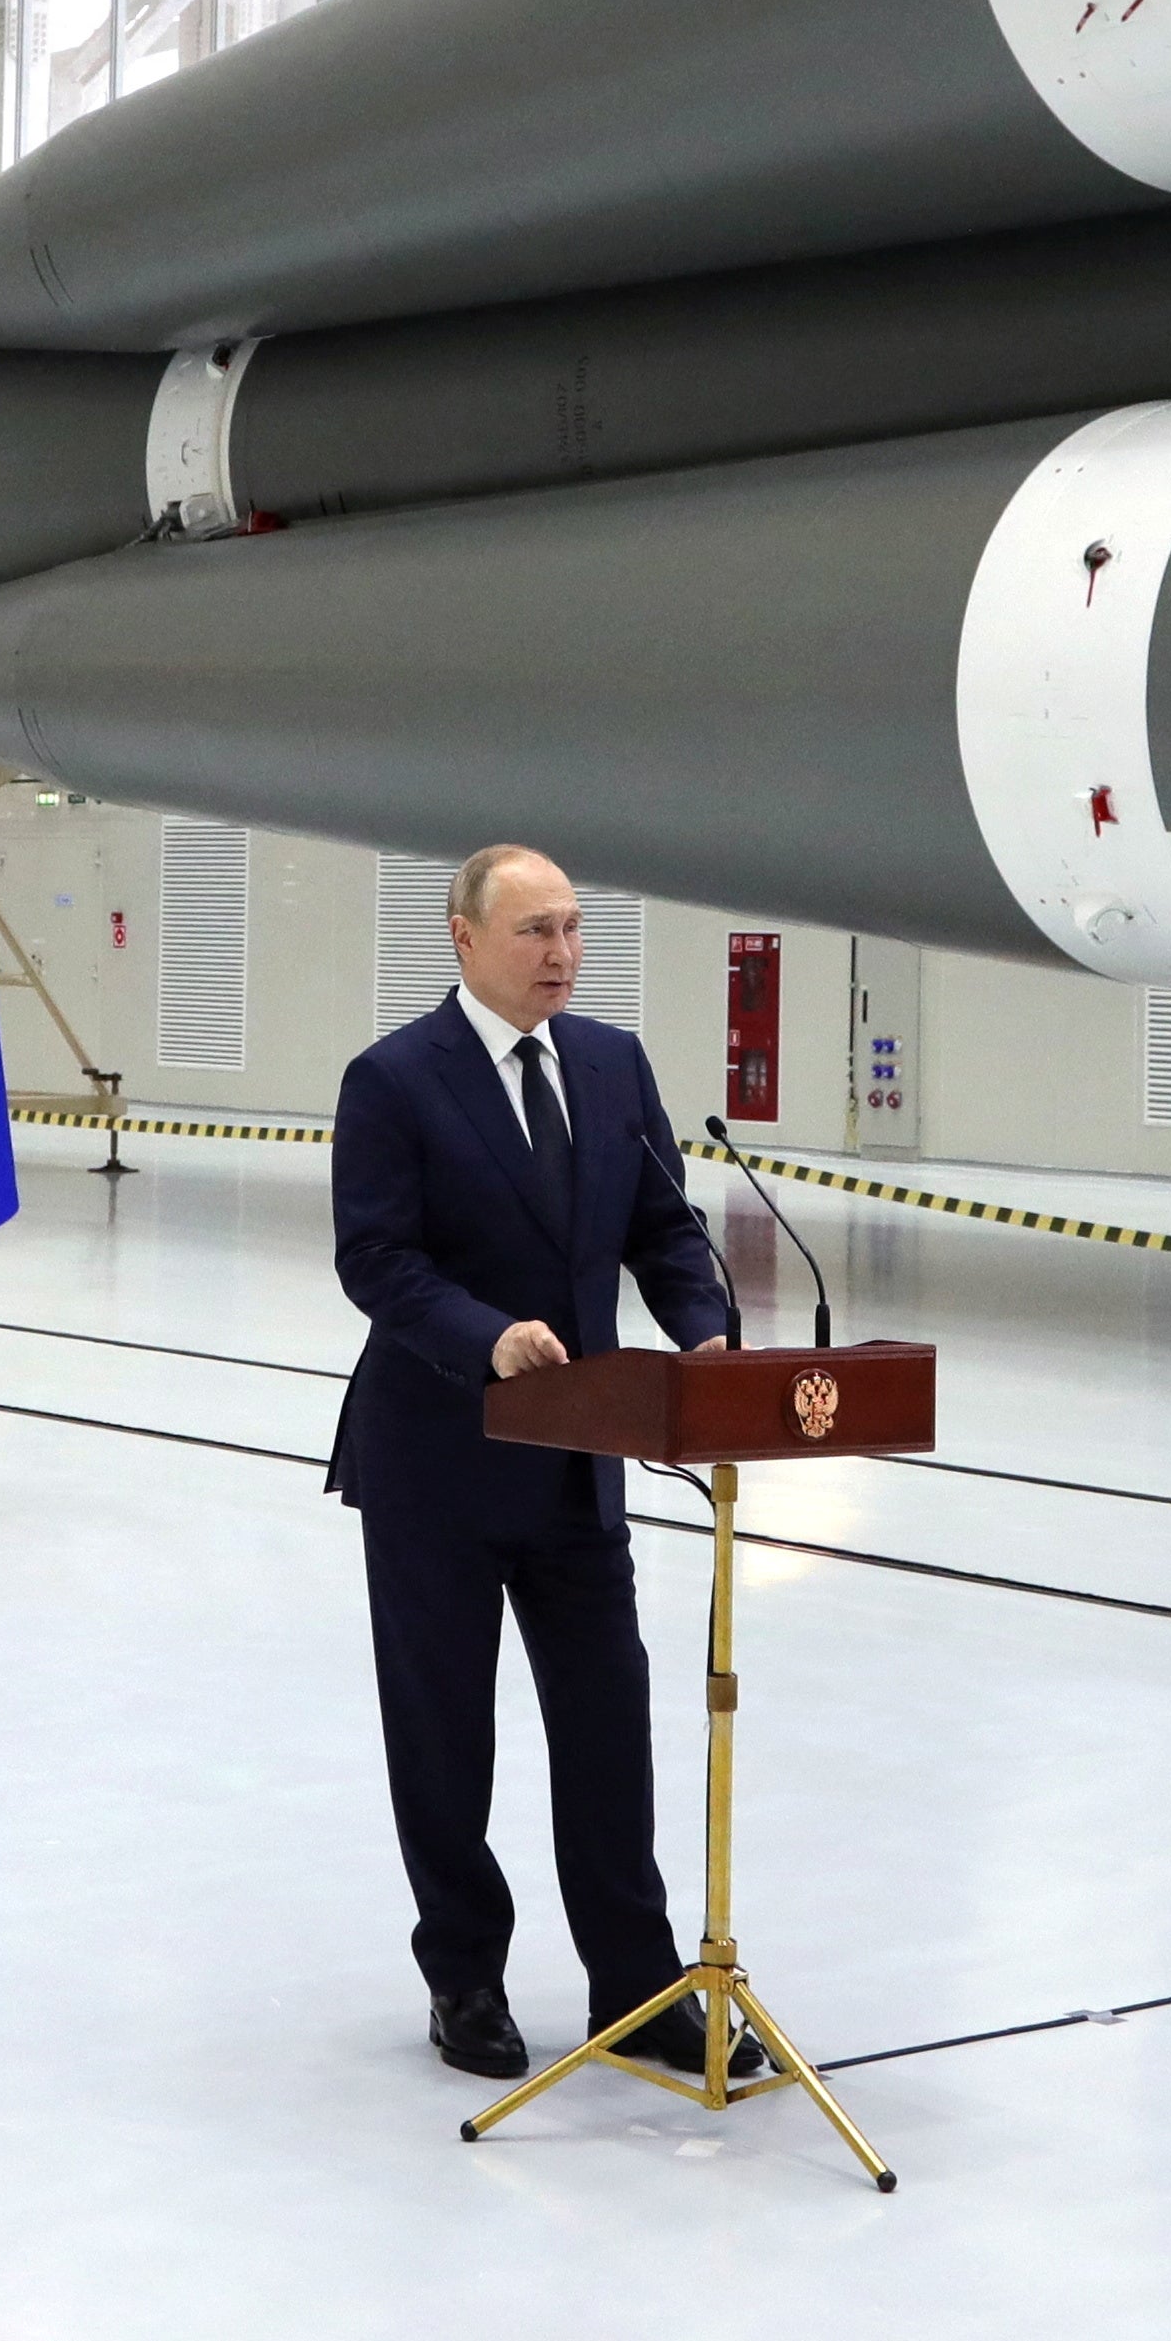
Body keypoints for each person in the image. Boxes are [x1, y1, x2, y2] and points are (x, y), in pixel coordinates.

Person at [327, 843, 764, 2087]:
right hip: (439, 1464)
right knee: (446, 1736)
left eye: (571, 930)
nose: (560, 954)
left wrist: (708, 1334)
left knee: (607, 1727)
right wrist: (487, 1338)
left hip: (581, 1462)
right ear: (463, 940)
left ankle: (637, 1986)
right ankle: (464, 1978)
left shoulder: (614, 1065)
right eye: (532, 932)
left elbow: (662, 1228)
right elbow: (379, 1261)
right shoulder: (396, 1080)